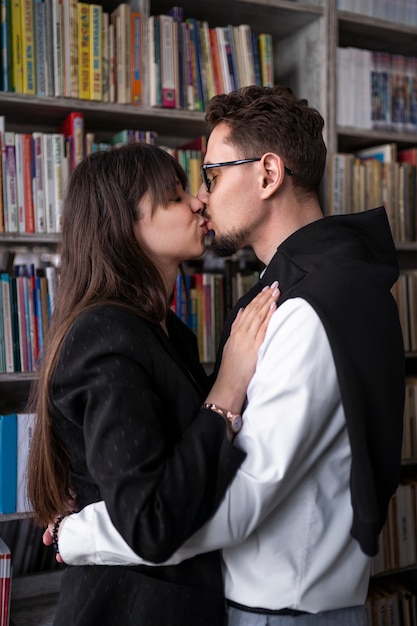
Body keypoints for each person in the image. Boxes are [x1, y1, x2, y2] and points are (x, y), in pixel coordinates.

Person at [44, 86, 405, 626]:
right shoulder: (301, 291)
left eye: (211, 176)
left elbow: (240, 501)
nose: (202, 199)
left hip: (281, 612)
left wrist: (80, 533)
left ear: (267, 174)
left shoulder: (307, 310)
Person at [26, 141, 280, 626]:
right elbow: (150, 522)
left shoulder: (167, 332)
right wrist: (226, 388)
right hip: (128, 609)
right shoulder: (103, 336)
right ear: (125, 226)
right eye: (172, 195)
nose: (197, 202)